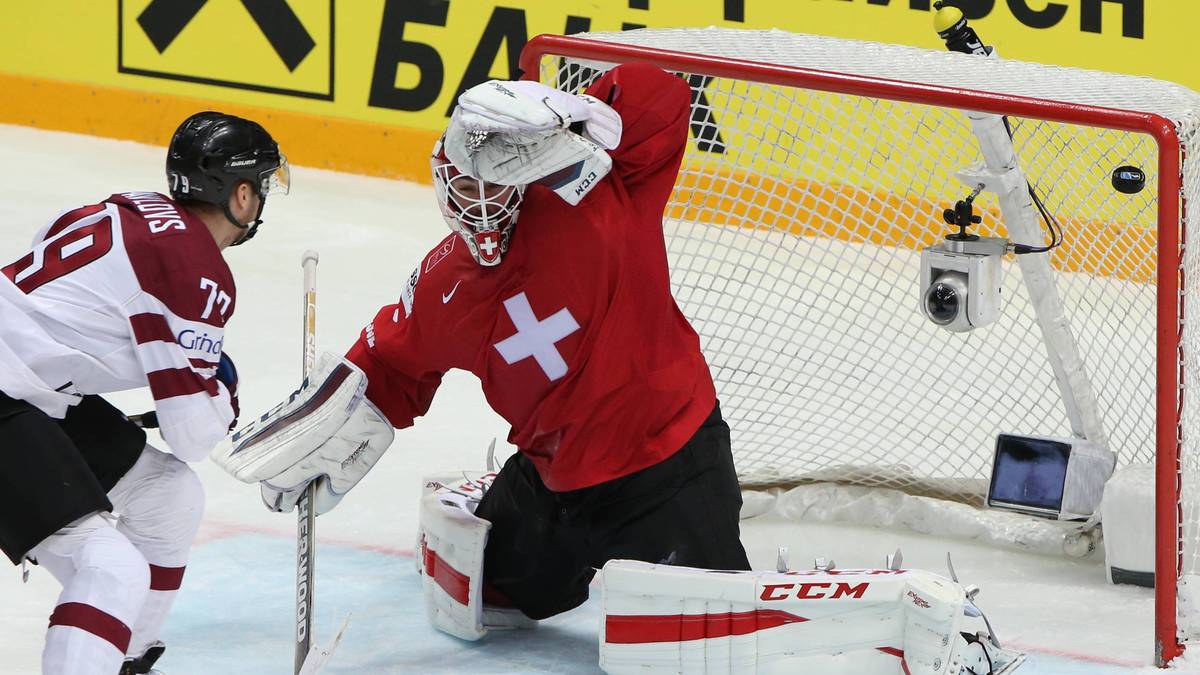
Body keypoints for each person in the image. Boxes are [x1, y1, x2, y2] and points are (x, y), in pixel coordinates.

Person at [216, 61, 750, 635]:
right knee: (487, 598)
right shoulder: (444, 285)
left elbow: (661, 99)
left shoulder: (601, 196)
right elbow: (389, 368)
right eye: (468, 185)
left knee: (703, 639)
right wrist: (332, 426)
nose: (483, 202)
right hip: (552, 481)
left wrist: (575, 114)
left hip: (665, 466)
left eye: (497, 182)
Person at [0, 111, 287, 674]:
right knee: (111, 567)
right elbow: (192, 436)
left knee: (166, 496)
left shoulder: (132, 206)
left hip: (32, 389)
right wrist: (220, 394)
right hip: (11, 393)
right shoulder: (195, 269)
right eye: (265, 185)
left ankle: (124, 661)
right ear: (242, 194)